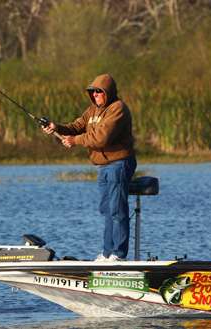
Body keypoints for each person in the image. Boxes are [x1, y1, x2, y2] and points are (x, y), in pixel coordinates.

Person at [42, 73, 137, 261]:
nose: (95, 95)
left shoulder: (118, 109)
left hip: (119, 164)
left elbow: (101, 137)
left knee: (117, 210)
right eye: (92, 92)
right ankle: (107, 253)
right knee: (107, 210)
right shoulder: (92, 111)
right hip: (103, 166)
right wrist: (56, 127)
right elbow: (76, 126)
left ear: (107, 92)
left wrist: (74, 141)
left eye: (98, 92)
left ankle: (118, 255)